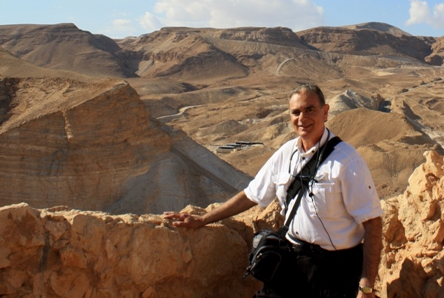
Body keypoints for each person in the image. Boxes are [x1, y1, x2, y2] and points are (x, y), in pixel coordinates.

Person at [163, 83, 384, 298]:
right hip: (290, 261)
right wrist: (203, 219)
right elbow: (251, 195)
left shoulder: (346, 161)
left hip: (335, 270)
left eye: (310, 110)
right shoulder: (286, 153)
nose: (302, 118)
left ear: (325, 112)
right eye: (295, 112)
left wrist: (366, 286)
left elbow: (373, 223)